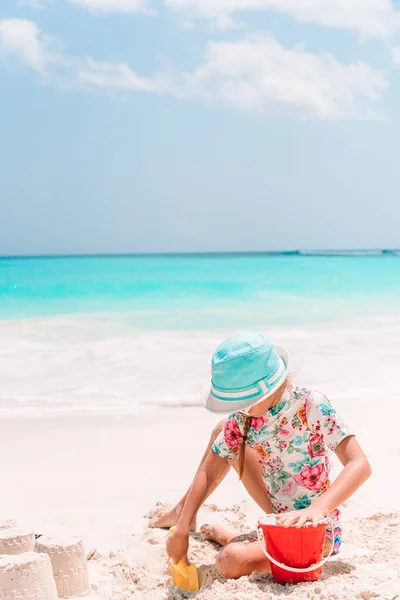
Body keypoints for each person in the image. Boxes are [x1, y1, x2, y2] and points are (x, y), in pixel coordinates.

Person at [151, 332, 371, 579]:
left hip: (315, 532)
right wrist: (181, 529)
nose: (238, 410)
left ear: (267, 390)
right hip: (275, 516)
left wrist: (318, 509)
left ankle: (233, 539)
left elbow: (360, 464)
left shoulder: (310, 405)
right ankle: (190, 518)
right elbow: (210, 468)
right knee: (223, 432)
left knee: (230, 561)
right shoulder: (243, 417)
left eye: (243, 403)